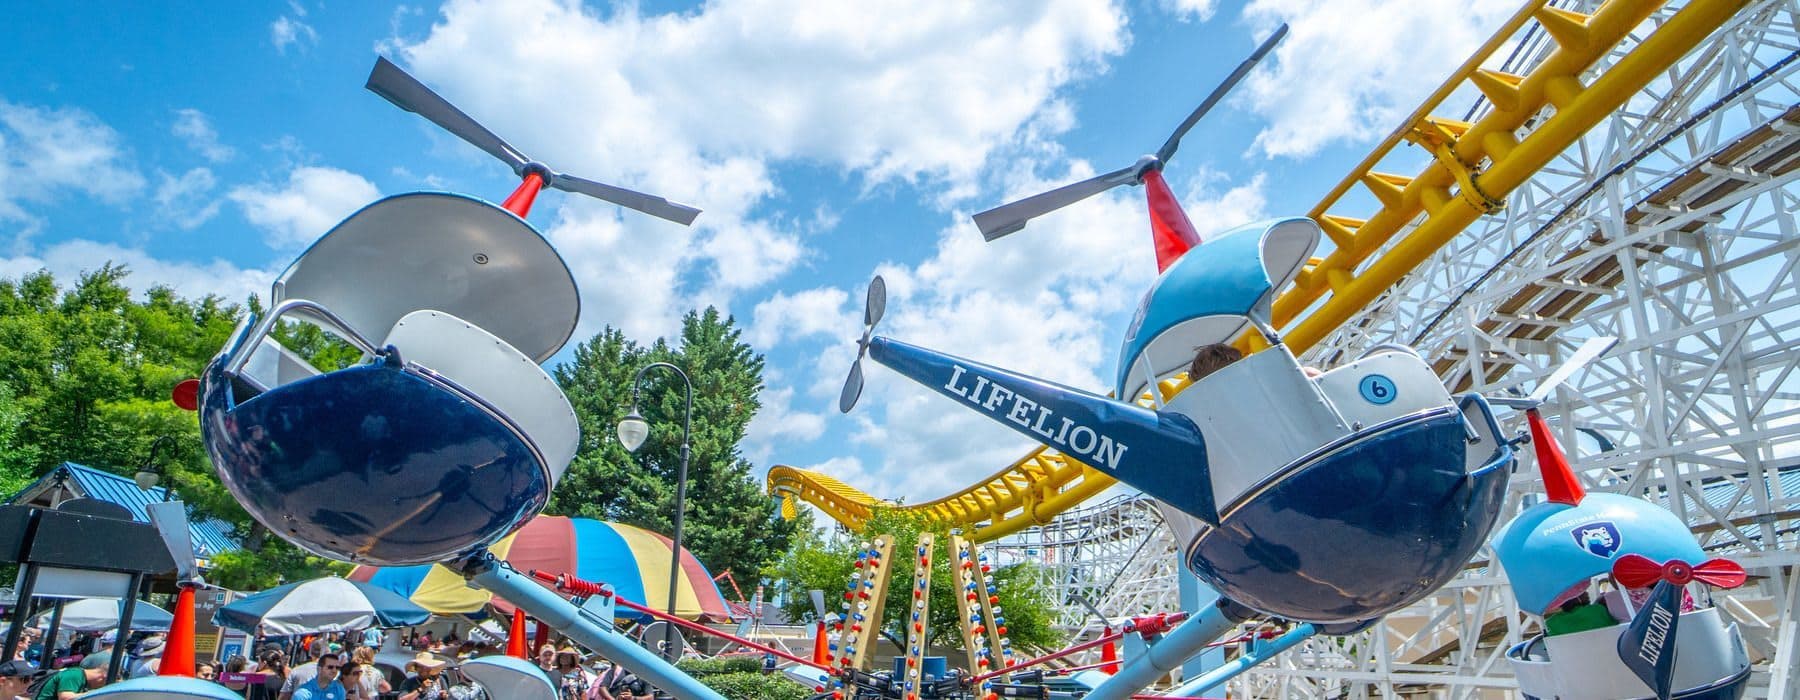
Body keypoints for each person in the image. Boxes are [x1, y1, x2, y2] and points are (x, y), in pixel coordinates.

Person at [30, 663, 102, 700]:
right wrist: (96, 693)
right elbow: (66, 698)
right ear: (102, 678)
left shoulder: (82, 678)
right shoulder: (75, 674)